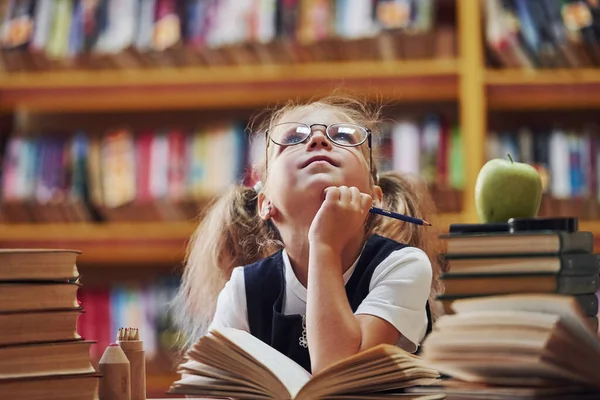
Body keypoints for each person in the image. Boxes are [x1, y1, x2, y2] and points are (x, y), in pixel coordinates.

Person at [172, 94, 445, 375]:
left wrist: (324, 245)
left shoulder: (404, 266)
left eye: (344, 137)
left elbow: (338, 374)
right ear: (266, 203)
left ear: (373, 199)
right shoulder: (243, 290)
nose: (318, 140)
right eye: (292, 139)